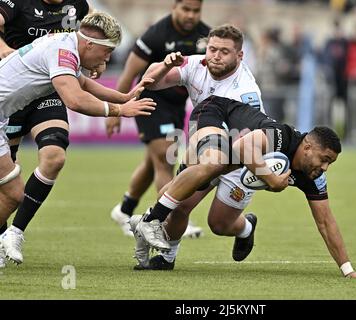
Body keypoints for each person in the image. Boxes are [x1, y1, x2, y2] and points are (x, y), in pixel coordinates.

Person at [133, 95, 356, 279]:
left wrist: (348, 271)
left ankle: (246, 227)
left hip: (241, 164)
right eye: (324, 159)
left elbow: (326, 222)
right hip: (216, 117)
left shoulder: (313, 175)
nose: (325, 167)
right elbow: (242, 147)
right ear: (307, 147)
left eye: (331, 163)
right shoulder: (280, 136)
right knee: (185, 199)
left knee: (218, 224)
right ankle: (161, 243)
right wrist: (271, 179)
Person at [0, 11, 156, 268]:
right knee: (13, 193)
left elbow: (84, 84)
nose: (106, 59)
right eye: (106, 52)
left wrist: (125, 97)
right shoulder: (63, 51)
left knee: (11, 193)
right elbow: (75, 99)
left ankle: (11, 235)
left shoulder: (64, 43)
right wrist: (119, 111)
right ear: (90, 44)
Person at [124, 24, 266, 270]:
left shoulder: (245, 91)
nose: (216, 56)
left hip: (240, 156)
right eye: (212, 49)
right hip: (206, 147)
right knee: (178, 203)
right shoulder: (195, 64)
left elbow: (249, 141)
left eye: (224, 51)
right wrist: (166, 64)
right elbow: (151, 84)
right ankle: (167, 258)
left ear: (239, 55)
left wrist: (212, 166)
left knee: (219, 224)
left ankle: (246, 227)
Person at [0, 0, 96, 266]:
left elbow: (89, 34)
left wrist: (93, 59)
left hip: (50, 89)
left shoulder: (78, 5)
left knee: (54, 157)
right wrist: (4, 48)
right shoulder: (17, 2)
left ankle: (16, 232)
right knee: (8, 177)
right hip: (14, 89)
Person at [105, 0, 209, 238]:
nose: (191, 15)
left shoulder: (205, 35)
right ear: (175, 7)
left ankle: (124, 209)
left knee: (155, 161)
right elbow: (130, 72)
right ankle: (169, 218)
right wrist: (115, 110)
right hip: (150, 100)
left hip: (176, 105)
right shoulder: (156, 34)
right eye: (186, 9)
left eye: (196, 10)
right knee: (165, 155)